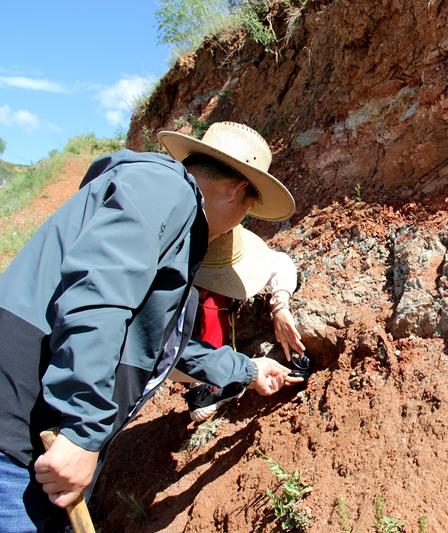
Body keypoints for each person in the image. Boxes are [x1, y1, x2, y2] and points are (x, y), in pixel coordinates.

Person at [0, 121, 303, 531]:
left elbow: (163, 346)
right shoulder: (167, 189)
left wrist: (249, 370)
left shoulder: (159, 221)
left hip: (39, 440)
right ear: (236, 191)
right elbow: (97, 296)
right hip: (23, 440)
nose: (238, 222)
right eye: (248, 208)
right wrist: (83, 431)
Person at [176, 222, 306, 422]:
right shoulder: (173, 292)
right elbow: (169, 354)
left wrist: (280, 305)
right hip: (174, 356)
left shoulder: (218, 240)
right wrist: (247, 371)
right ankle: (208, 385)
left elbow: (278, 262)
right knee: (209, 299)